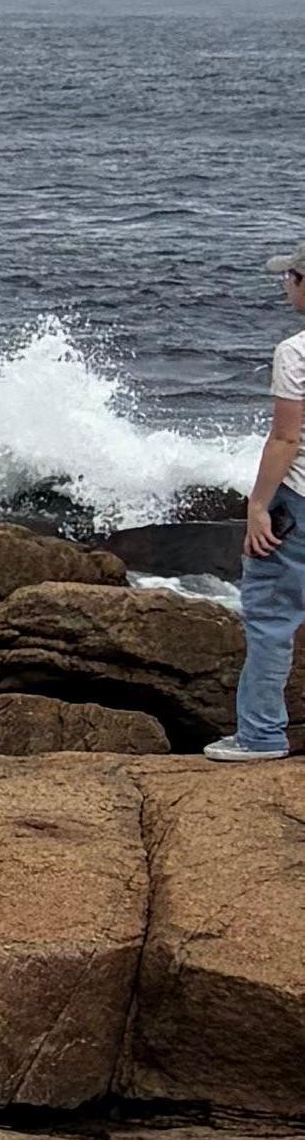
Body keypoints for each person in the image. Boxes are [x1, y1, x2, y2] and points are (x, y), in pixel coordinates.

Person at [237, 242, 305, 765]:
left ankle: (260, 737)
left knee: (271, 617)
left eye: (291, 277)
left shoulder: (296, 351)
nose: (286, 286)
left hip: (298, 501)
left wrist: (259, 505)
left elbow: (286, 439)